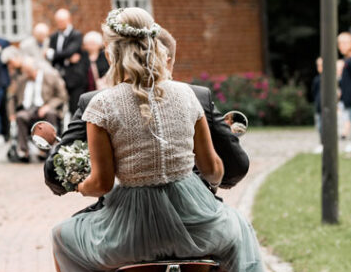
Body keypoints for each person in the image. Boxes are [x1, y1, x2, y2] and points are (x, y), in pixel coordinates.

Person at [51, 8, 267, 272]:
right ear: (156, 47)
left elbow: (102, 183)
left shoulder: (101, 107)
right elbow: (214, 169)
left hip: (131, 230)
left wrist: (81, 184)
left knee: (62, 237)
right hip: (194, 221)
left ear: (110, 52)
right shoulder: (187, 97)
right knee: (234, 235)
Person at [44, 26, 250, 197]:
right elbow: (235, 167)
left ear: (114, 57)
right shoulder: (195, 96)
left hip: (124, 212)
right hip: (192, 209)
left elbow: (56, 174)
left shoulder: (95, 103)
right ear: (166, 59)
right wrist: (200, 183)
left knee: (62, 235)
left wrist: (83, 174)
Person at [12, 57, 68, 162]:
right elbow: (12, 98)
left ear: (35, 69)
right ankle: (24, 151)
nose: (26, 74)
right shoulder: (22, 80)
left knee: (50, 114)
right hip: (28, 109)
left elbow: (62, 96)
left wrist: (48, 106)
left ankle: (45, 150)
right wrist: (11, 114)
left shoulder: (50, 77)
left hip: (45, 107)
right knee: (20, 116)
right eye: (25, 71)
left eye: (28, 71)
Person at [48, 8, 85, 113]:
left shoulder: (76, 35)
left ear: (69, 20)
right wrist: (66, 57)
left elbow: (69, 51)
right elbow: (54, 57)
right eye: (58, 21)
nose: (59, 23)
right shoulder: (54, 36)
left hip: (74, 77)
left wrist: (53, 54)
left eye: (62, 21)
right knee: (57, 108)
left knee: (74, 108)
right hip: (58, 75)